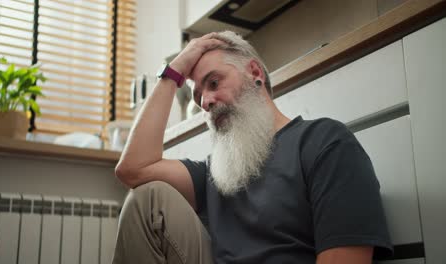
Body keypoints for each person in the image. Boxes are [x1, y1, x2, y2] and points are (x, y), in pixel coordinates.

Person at [112, 31, 392, 264]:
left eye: (213, 82)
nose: (206, 102)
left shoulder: (325, 142)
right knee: (147, 198)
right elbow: (133, 170)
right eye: (199, 98)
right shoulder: (215, 173)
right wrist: (173, 72)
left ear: (255, 72)